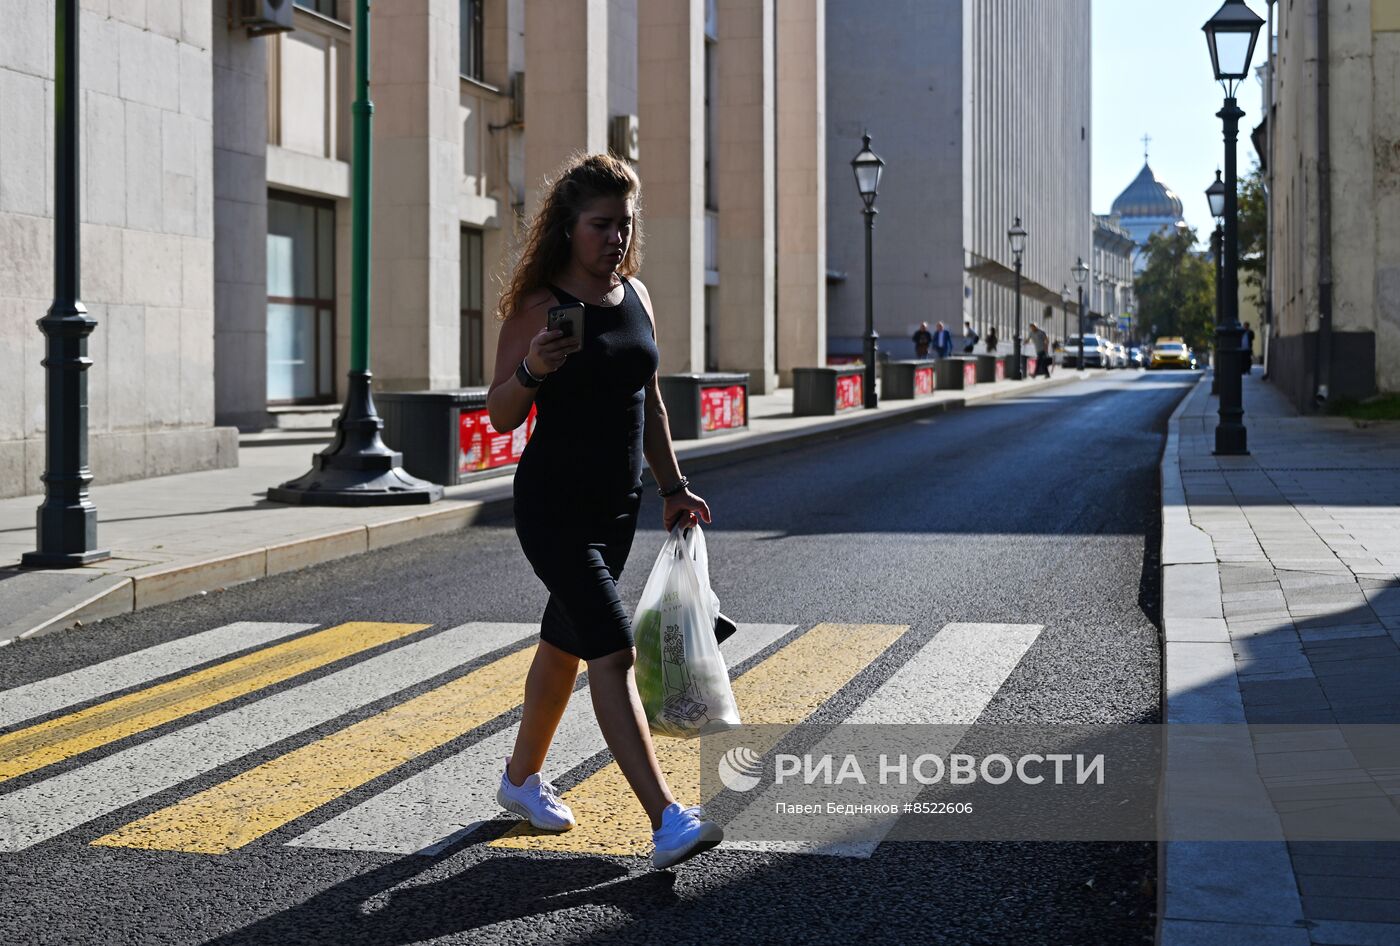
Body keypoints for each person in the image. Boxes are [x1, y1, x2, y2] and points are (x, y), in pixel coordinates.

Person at [485, 153, 723, 870]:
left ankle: (520, 781)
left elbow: (647, 402)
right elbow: (499, 413)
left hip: (616, 511)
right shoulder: (535, 306)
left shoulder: (637, 297)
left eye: (625, 224)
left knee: (563, 645)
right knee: (611, 653)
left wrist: (674, 486)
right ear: (568, 225)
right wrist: (534, 367)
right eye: (601, 224)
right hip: (553, 507)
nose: (615, 237)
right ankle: (666, 819)